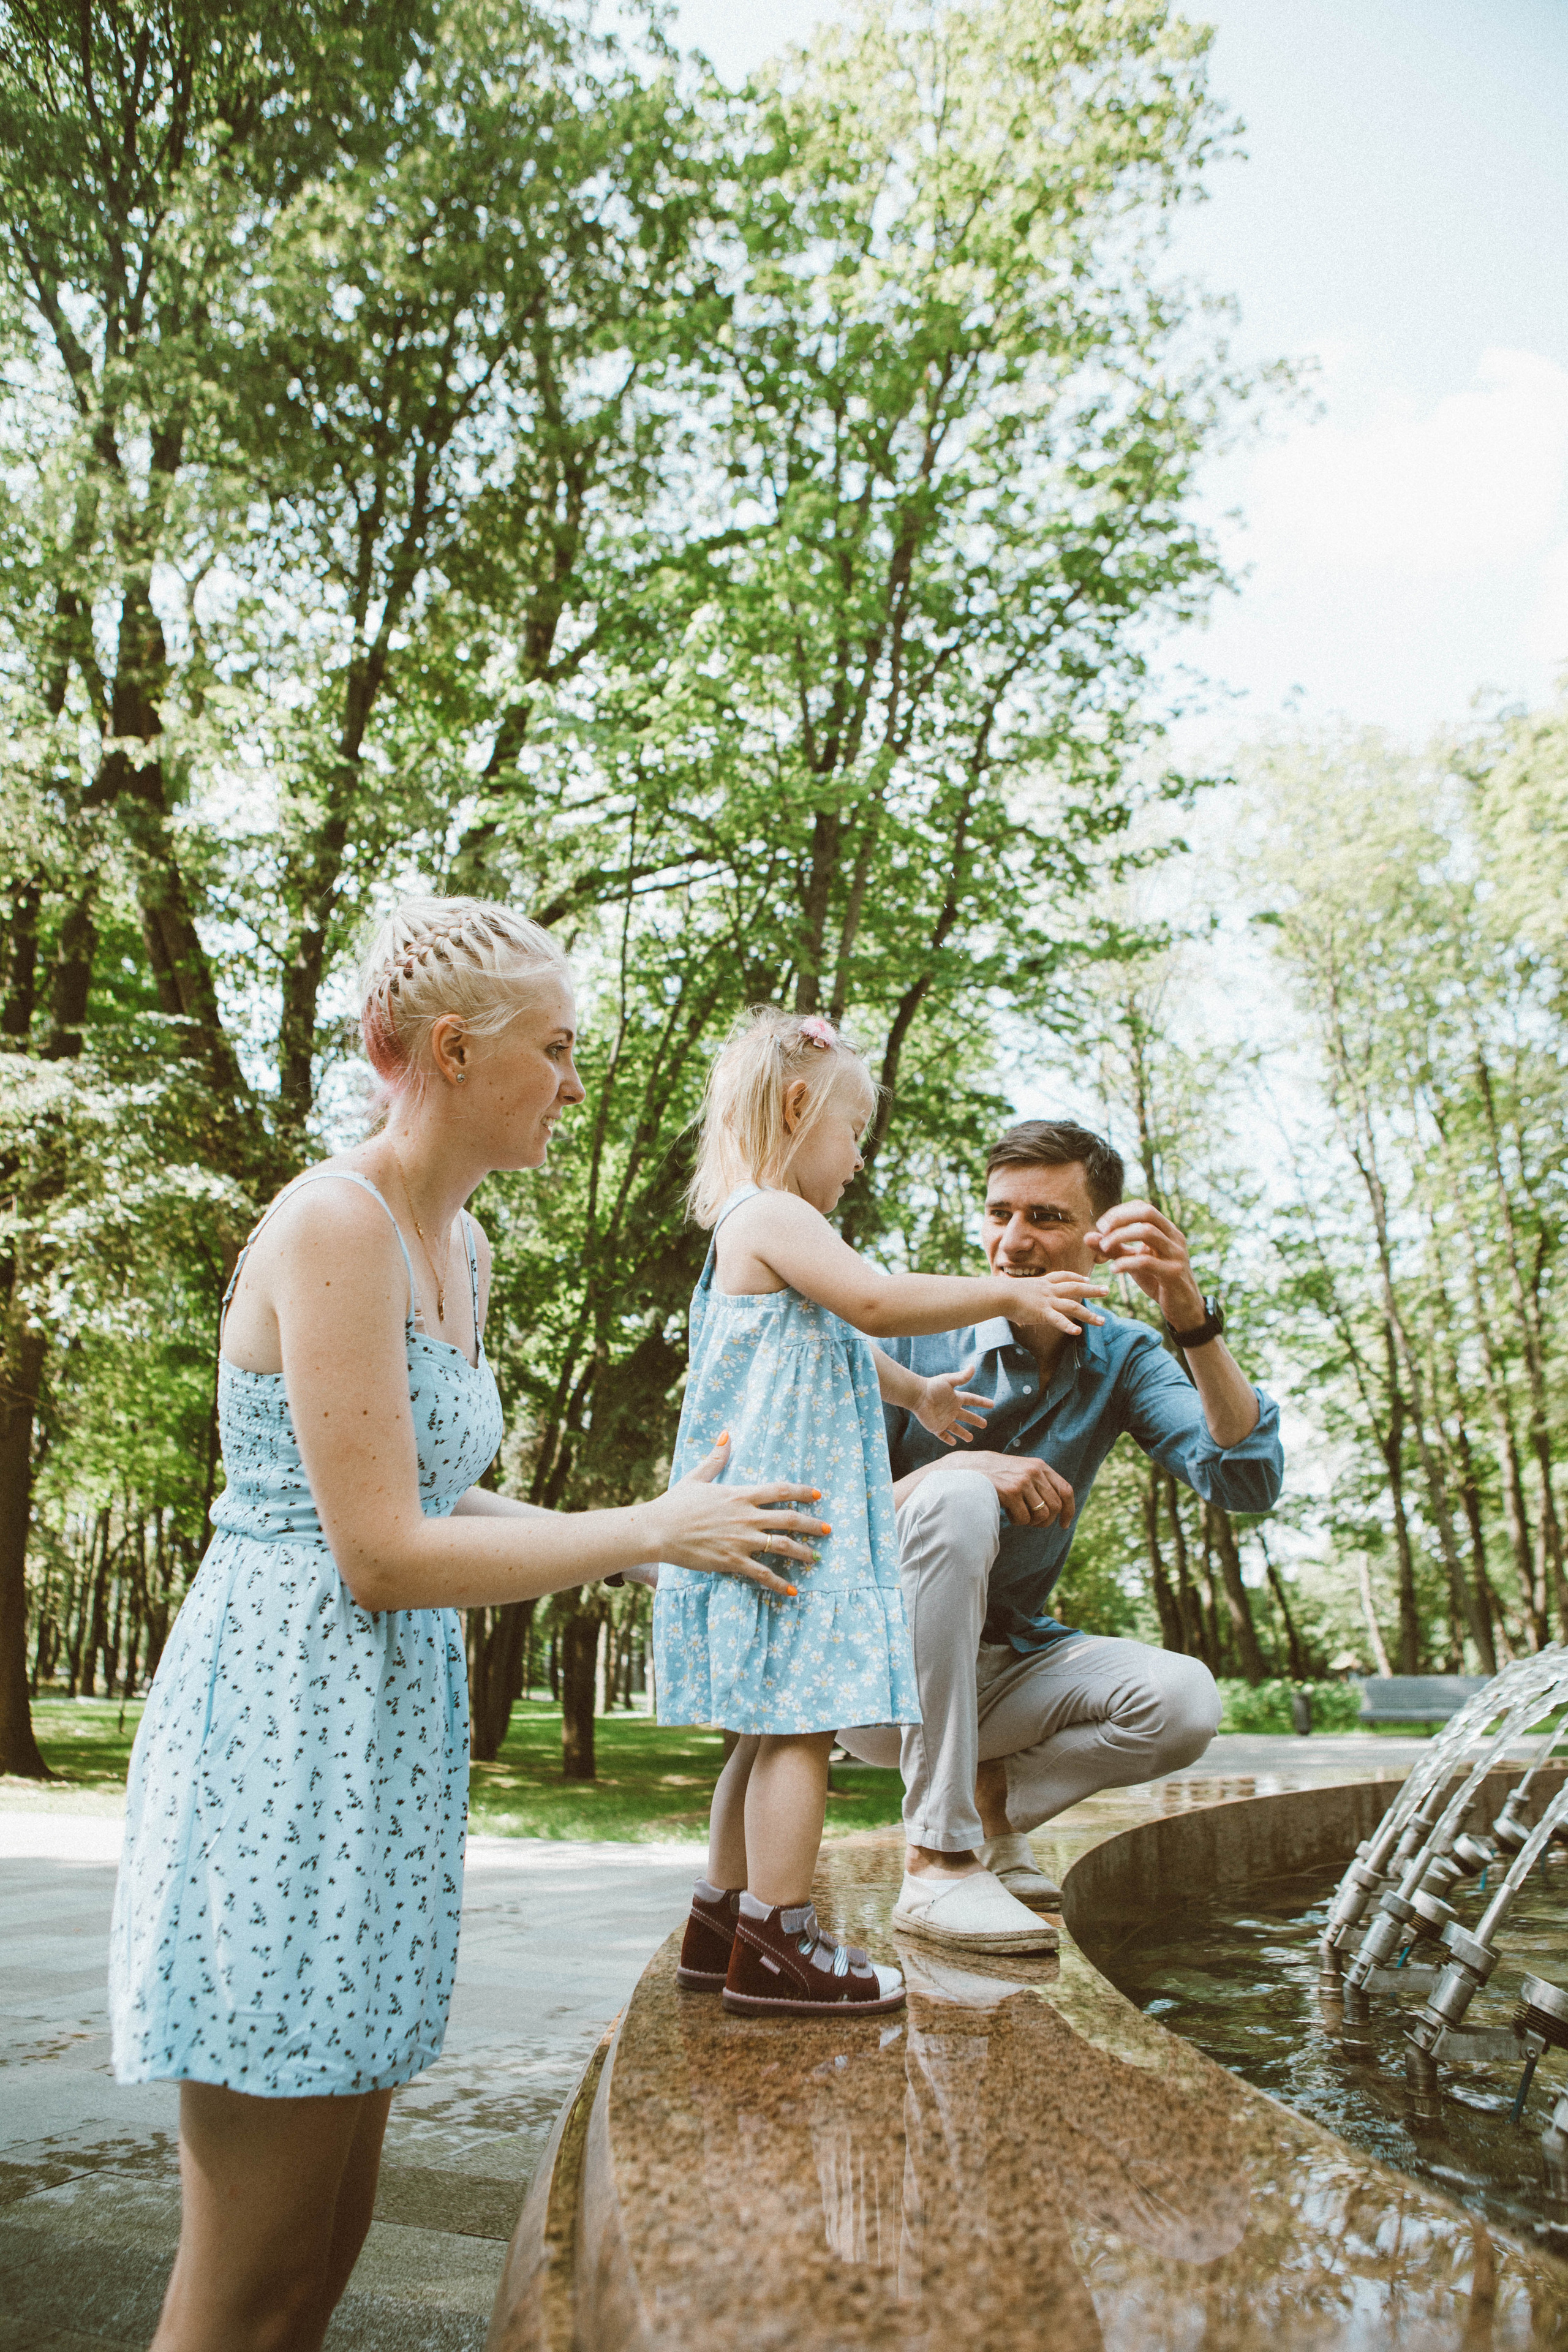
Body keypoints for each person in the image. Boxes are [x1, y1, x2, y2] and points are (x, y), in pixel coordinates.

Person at [108, 899, 831, 2352]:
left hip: (377, 1763)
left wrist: (652, 1544)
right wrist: (637, 1532)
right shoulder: (333, 1222)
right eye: (556, 1051)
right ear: (453, 1048)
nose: (574, 1082)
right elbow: (374, 1554)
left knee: (320, 2260)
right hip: (281, 1757)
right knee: (244, 2281)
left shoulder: (465, 1246)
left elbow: (438, 1490)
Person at [659, 1010, 1093, 2013]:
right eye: (855, 1132)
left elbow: (848, 1343)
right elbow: (876, 1302)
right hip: (793, 1513)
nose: (858, 1159)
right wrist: (1009, 1295)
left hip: (769, 1510)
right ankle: (780, 1943)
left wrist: (922, 1398)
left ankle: (717, 1924)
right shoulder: (772, 1213)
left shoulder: (762, 1227)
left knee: (763, 1734)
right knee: (802, 1730)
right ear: (800, 1109)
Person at [837, 1118, 1284, 1951]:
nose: (1015, 1242)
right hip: (878, 1674)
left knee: (1185, 1700)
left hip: (1009, 1667)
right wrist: (961, 1472)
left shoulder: (1124, 1356)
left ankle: (988, 1809)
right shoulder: (911, 1331)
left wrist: (1188, 1311)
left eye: (1045, 1218)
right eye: (999, 1213)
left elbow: (1244, 1479)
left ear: (1099, 1238)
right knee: (964, 1501)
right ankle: (940, 1858)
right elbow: (818, 1517)